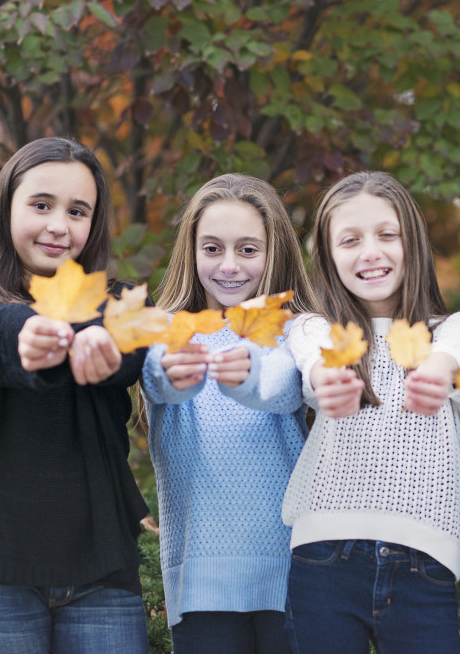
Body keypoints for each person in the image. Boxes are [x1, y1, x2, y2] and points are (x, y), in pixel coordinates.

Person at [0, 137, 150, 653]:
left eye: (78, 211)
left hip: (102, 572)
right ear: (7, 206)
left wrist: (101, 343)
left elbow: (127, 346)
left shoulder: (121, 303)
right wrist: (31, 336)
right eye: (41, 205)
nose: (58, 225)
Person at [281, 171, 460, 653]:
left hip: (425, 565)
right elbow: (308, 350)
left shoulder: (452, 332)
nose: (370, 252)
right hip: (324, 558)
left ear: (411, 243)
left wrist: (436, 368)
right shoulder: (319, 330)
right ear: (329, 257)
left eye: (386, 235)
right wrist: (324, 377)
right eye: (350, 240)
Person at [141, 174, 317, 653]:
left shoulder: (296, 331)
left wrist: (248, 377)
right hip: (200, 578)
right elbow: (159, 379)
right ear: (192, 251)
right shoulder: (167, 334)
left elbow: (283, 384)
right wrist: (178, 372)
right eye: (213, 248)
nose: (229, 266)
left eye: (248, 250)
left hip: (292, 571)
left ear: (274, 251)